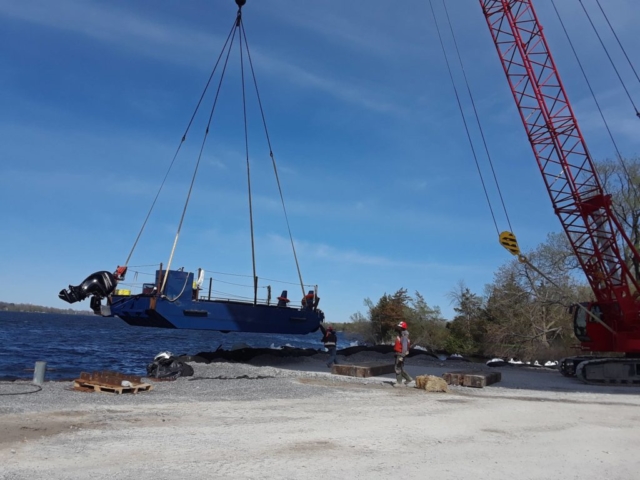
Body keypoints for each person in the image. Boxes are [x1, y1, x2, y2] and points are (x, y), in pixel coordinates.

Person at [394, 321, 413, 386]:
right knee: (400, 367)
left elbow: (404, 347)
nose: (398, 328)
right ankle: (408, 378)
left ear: (402, 328)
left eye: (399, 327)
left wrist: (402, 356)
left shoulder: (404, 337)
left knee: (398, 367)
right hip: (399, 353)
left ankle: (399, 382)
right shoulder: (402, 335)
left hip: (400, 354)